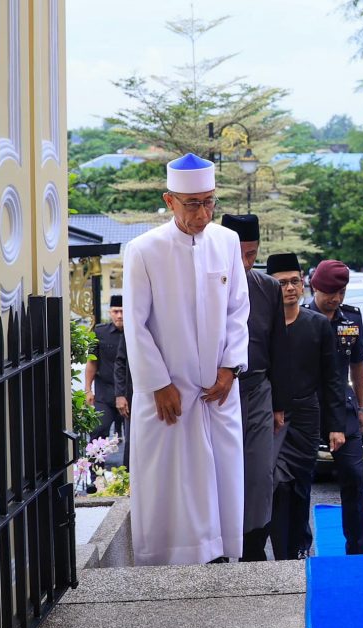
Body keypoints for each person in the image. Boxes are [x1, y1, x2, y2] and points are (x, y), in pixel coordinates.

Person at [123, 152, 249, 566]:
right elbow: (135, 325)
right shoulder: (143, 250)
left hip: (217, 391)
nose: (203, 212)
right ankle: (167, 563)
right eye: (193, 203)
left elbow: (237, 311)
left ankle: (222, 558)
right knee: (171, 485)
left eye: (210, 201)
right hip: (168, 393)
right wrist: (158, 383)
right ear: (169, 200)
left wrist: (230, 368)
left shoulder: (227, 242)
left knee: (221, 482)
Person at [266, 253, 345, 560]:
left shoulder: (317, 325)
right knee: (277, 484)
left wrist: (335, 425)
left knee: (300, 483)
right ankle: (282, 550)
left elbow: (332, 379)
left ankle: (301, 544)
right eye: (281, 282)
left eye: (294, 281)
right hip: (272, 417)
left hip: (307, 414)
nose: (289, 288)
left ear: (303, 284)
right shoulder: (261, 325)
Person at [221, 213, 289, 562]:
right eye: (240, 254)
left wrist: (279, 404)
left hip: (258, 387)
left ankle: (253, 544)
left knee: (260, 472)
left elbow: (278, 347)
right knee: (218, 470)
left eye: (252, 254)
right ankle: (217, 543)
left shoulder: (268, 288)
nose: (246, 262)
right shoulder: (208, 285)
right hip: (216, 391)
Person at [304, 259, 363, 555]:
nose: (336, 299)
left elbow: (357, 364)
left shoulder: (351, 319)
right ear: (315, 287)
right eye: (331, 292)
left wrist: (362, 406)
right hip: (306, 406)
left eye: (342, 292)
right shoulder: (299, 317)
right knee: (300, 481)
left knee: (354, 479)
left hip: (343, 407)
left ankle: (358, 550)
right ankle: (300, 547)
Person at [86, 295, 125, 443]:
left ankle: (130, 467)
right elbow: (92, 363)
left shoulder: (136, 333)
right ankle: (96, 466)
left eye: (122, 311)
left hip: (129, 393)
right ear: (109, 312)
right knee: (98, 431)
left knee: (135, 439)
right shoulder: (99, 332)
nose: (119, 316)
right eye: (115, 311)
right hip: (105, 394)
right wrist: (88, 389)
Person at [114, 325, 133, 469]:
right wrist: (120, 394)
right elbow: (120, 362)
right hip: (135, 394)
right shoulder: (131, 329)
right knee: (132, 440)